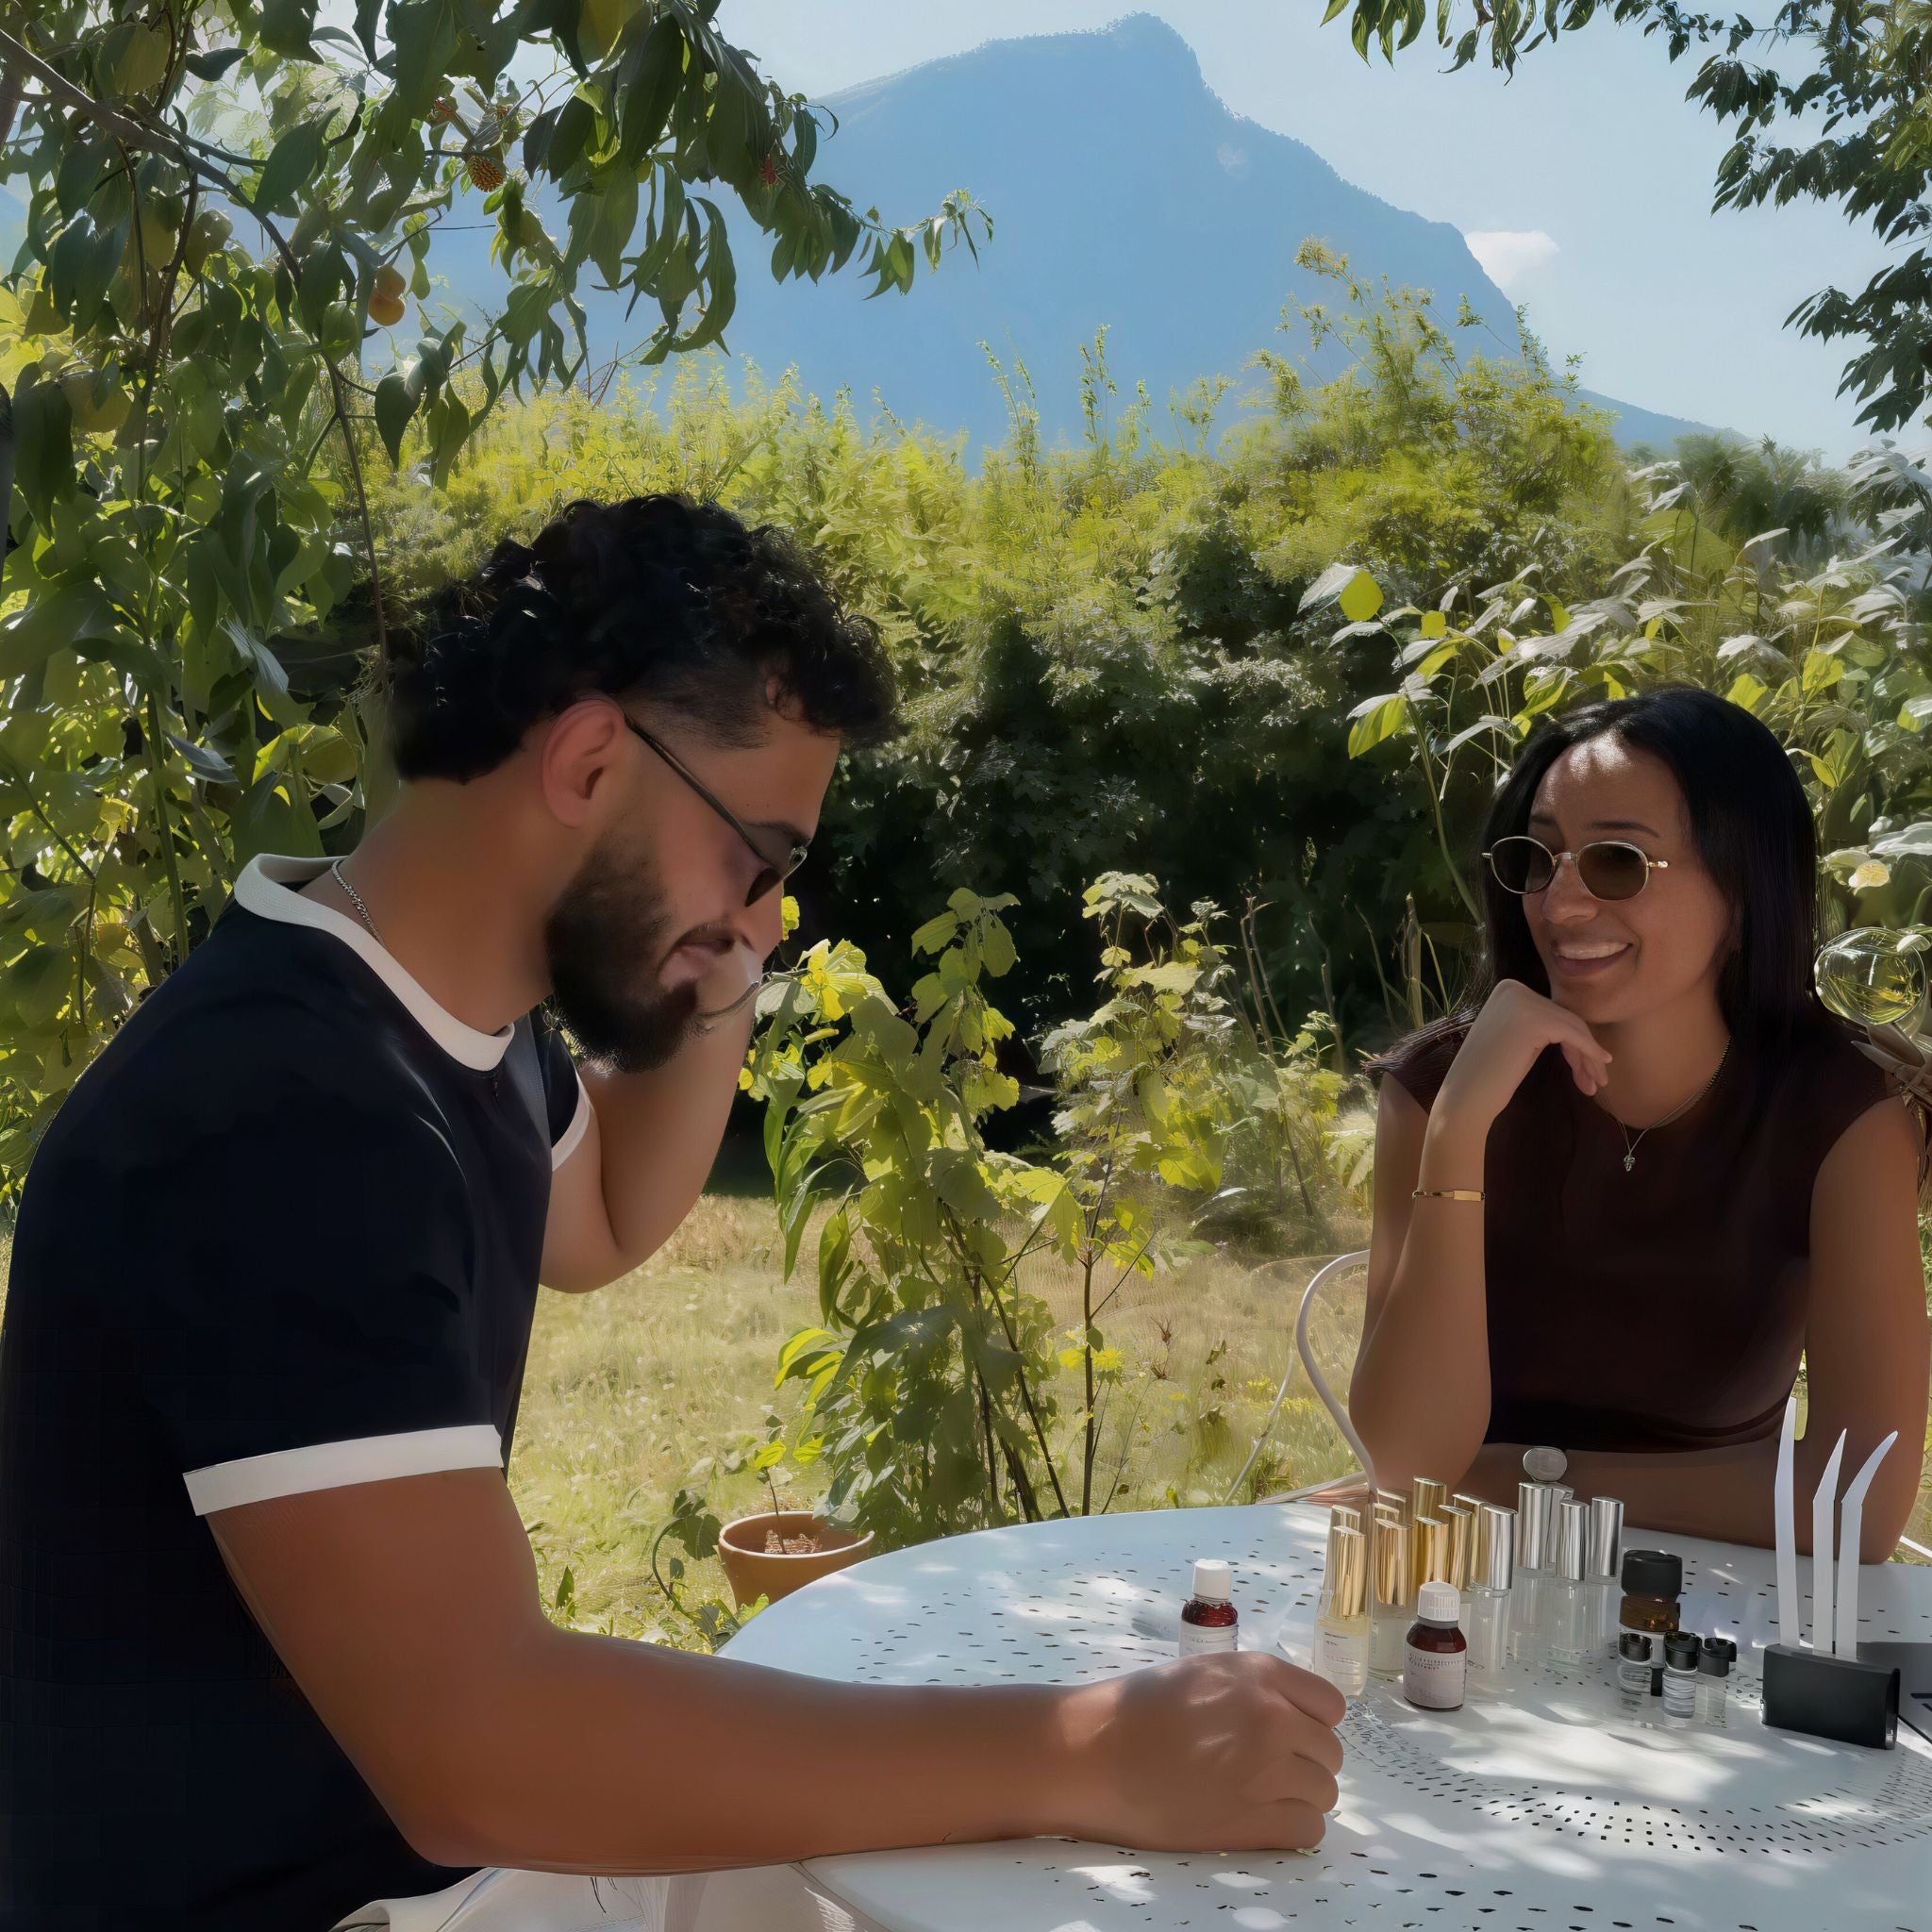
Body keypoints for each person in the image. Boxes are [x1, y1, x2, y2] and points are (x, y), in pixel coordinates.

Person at [0, 495, 1344, 1932]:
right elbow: (483, 1745)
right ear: (587, 759)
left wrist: (715, 948)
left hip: (406, 1859)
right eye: (760, 860)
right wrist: (1097, 1748)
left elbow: (605, 1215)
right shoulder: (286, 1116)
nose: (772, 923)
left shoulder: (442, 1018)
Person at [1354, 686, 1928, 1555]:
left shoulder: (1846, 1112)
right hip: (1458, 1589)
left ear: (1742, 888)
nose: (1559, 905)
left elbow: (1858, 1502)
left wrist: (1510, 1476)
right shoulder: (1440, 1090)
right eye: (1539, 859)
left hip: (1718, 1616)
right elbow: (1404, 1461)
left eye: (1618, 861)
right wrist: (1461, 1129)